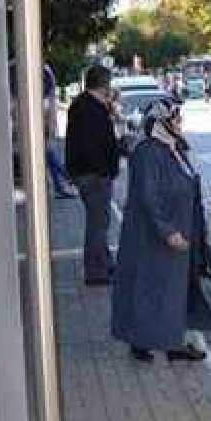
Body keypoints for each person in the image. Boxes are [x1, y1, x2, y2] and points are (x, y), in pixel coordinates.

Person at [111, 98, 211, 362]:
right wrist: (168, 231)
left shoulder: (173, 148)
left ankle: (167, 341)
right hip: (156, 238)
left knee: (172, 291)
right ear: (161, 122)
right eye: (176, 119)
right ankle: (150, 341)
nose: (180, 123)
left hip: (179, 230)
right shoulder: (147, 152)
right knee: (153, 290)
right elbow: (149, 196)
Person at [66, 65, 121, 285]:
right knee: (98, 224)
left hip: (89, 173)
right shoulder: (90, 110)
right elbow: (93, 145)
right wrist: (104, 170)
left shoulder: (86, 105)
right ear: (104, 84)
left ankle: (104, 262)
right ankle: (96, 270)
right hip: (94, 175)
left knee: (100, 222)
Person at [43, 64, 76, 199]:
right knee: (50, 157)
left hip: (43, 122)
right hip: (45, 122)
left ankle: (67, 179)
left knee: (50, 156)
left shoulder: (43, 71)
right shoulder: (46, 71)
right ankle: (61, 184)